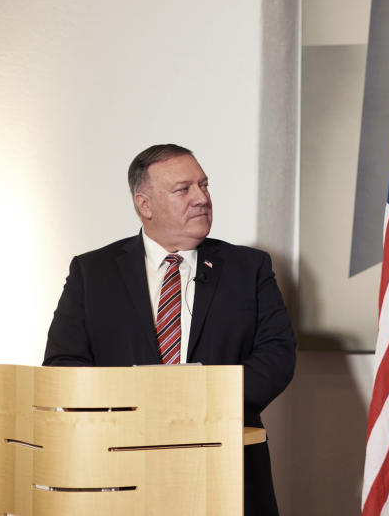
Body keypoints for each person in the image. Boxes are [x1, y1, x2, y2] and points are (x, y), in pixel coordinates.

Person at [44, 144, 296, 515]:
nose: (202, 199)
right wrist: (140, 410)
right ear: (144, 205)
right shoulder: (92, 272)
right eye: (184, 189)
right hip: (121, 472)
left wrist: (196, 402)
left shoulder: (249, 267)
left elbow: (276, 357)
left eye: (204, 186)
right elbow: (64, 365)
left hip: (227, 470)